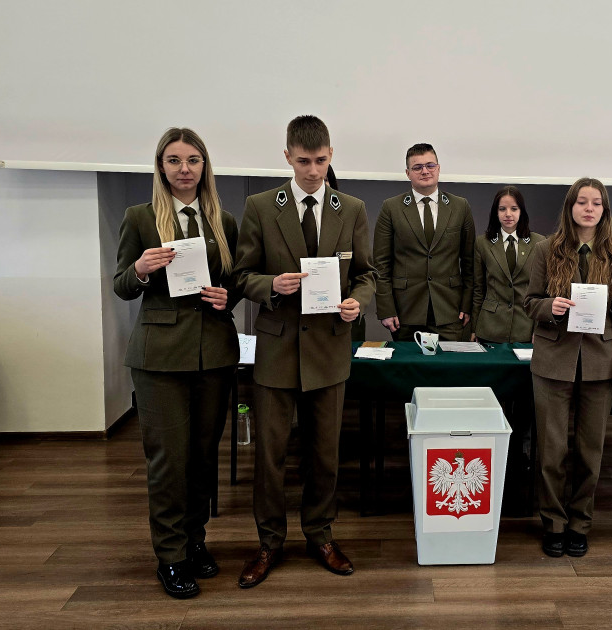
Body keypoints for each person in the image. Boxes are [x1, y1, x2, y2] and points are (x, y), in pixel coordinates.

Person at [233, 115, 376, 588]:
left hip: (329, 348)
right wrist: (270, 284)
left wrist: (359, 302)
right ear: (287, 157)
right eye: (303, 161)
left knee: (324, 453)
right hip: (276, 349)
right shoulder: (260, 205)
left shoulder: (350, 207)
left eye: (320, 161)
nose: (312, 171)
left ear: (331, 155)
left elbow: (369, 275)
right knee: (270, 456)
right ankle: (269, 542)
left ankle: (320, 534)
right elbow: (240, 275)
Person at [112, 127, 240, 599]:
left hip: (213, 353)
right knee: (168, 461)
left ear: (204, 167)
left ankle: (195, 540)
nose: (183, 169)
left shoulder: (224, 220)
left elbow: (238, 283)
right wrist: (142, 270)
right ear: (160, 167)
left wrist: (228, 297)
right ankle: (170, 556)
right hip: (159, 357)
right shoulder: (140, 217)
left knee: (203, 460)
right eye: (173, 160)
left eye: (192, 160)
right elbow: (121, 285)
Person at [524, 177, 612, 558]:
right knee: (552, 449)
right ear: (570, 207)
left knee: (590, 450)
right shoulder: (545, 249)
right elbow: (529, 302)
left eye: (596, 203)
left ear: (604, 210)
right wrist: (549, 308)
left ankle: (580, 523)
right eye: (582, 202)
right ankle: (553, 523)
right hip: (553, 359)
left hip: (599, 364)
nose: (588, 209)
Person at [374, 143, 475, 341]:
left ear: (438, 168)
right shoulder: (391, 208)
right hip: (405, 312)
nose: (425, 171)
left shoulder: (460, 206)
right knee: (408, 370)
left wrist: (467, 304)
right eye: (417, 167)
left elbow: (470, 262)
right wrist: (386, 308)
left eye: (430, 165)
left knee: (448, 370)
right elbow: (381, 265)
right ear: (407, 173)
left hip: (450, 310)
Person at [471, 186, 546, 343]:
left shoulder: (539, 242)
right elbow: (478, 289)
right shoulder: (482, 243)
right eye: (502, 209)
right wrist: (474, 328)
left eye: (514, 208)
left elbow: (543, 292)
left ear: (521, 211)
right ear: (495, 212)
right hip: (490, 328)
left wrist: (539, 329)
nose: (508, 214)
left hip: (525, 327)